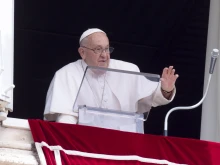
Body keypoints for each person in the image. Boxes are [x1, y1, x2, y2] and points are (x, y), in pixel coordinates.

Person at [44, 28, 179, 126]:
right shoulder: (67, 74)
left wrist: (165, 90)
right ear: (82, 52)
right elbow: (65, 118)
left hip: (124, 142)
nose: (104, 55)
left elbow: (149, 99)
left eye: (107, 49)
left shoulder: (128, 70)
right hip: (85, 142)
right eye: (98, 49)